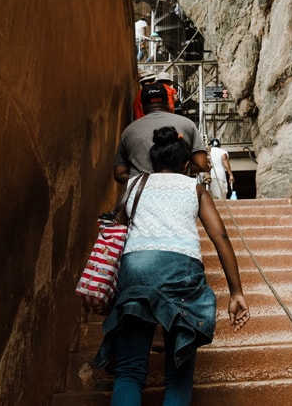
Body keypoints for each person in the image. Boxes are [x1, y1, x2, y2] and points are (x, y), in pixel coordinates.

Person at [95, 126, 250, 405]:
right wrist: (236, 292)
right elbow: (220, 237)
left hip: (136, 271)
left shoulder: (134, 185)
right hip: (182, 272)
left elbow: (115, 228)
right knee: (178, 375)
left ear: (153, 161)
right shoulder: (195, 187)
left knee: (129, 371)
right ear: (186, 164)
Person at [114, 82, 209, 184]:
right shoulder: (188, 124)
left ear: (142, 107)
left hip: (141, 194)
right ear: (168, 103)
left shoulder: (129, 131)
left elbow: (119, 173)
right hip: (176, 190)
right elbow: (202, 164)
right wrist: (182, 170)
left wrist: (139, 181)